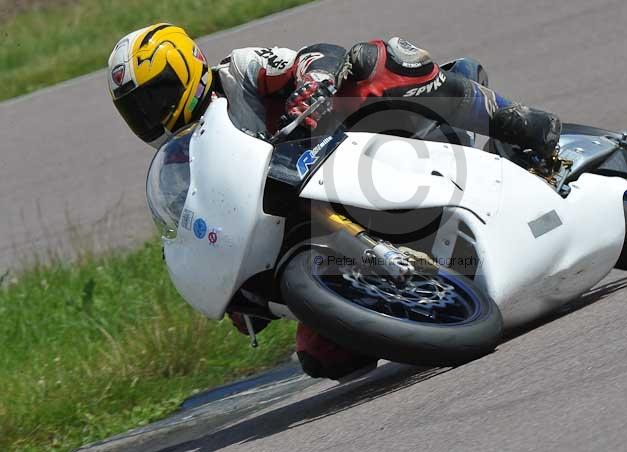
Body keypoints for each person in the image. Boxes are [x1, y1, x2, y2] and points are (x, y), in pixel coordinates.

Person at [108, 23, 562, 379]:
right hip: (310, 218)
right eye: (137, 111)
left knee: (374, 62)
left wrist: (314, 82)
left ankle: (513, 120)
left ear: (187, 65)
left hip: (352, 144)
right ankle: (438, 295)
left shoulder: (240, 71)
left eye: (159, 95)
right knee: (324, 356)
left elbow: (313, 55)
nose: (153, 115)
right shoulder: (180, 164)